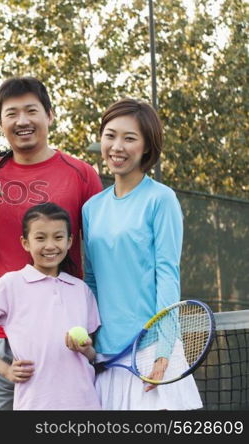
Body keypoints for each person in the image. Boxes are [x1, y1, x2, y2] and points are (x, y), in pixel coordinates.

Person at [0, 76, 102, 410]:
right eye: (12, 113)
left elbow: (99, 254)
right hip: (0, 344)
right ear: (0, 122)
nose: (22, 121)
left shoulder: (82, 174)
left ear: (49, 115)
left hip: (63, 344)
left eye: (31, 111)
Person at [82, 98, 202, 410]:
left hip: (151, 351)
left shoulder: (161, 200)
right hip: (108, 357)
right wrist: (93, 343)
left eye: (129, 138)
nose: (117, 146)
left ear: (147, 148)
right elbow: (92, 280)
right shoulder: (91, 208)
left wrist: (164, 351)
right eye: (110, 135)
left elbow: (167, 275)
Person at [0, 203, 101, 410]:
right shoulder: (11, 284)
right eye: (40, 238)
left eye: (58, 237)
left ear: (70, 241)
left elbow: (92, 356)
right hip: (34, 403)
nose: (50, 245)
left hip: (85, 402)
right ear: (25, 243)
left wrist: (87, 349)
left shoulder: (81, 290)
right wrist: (5, 370)